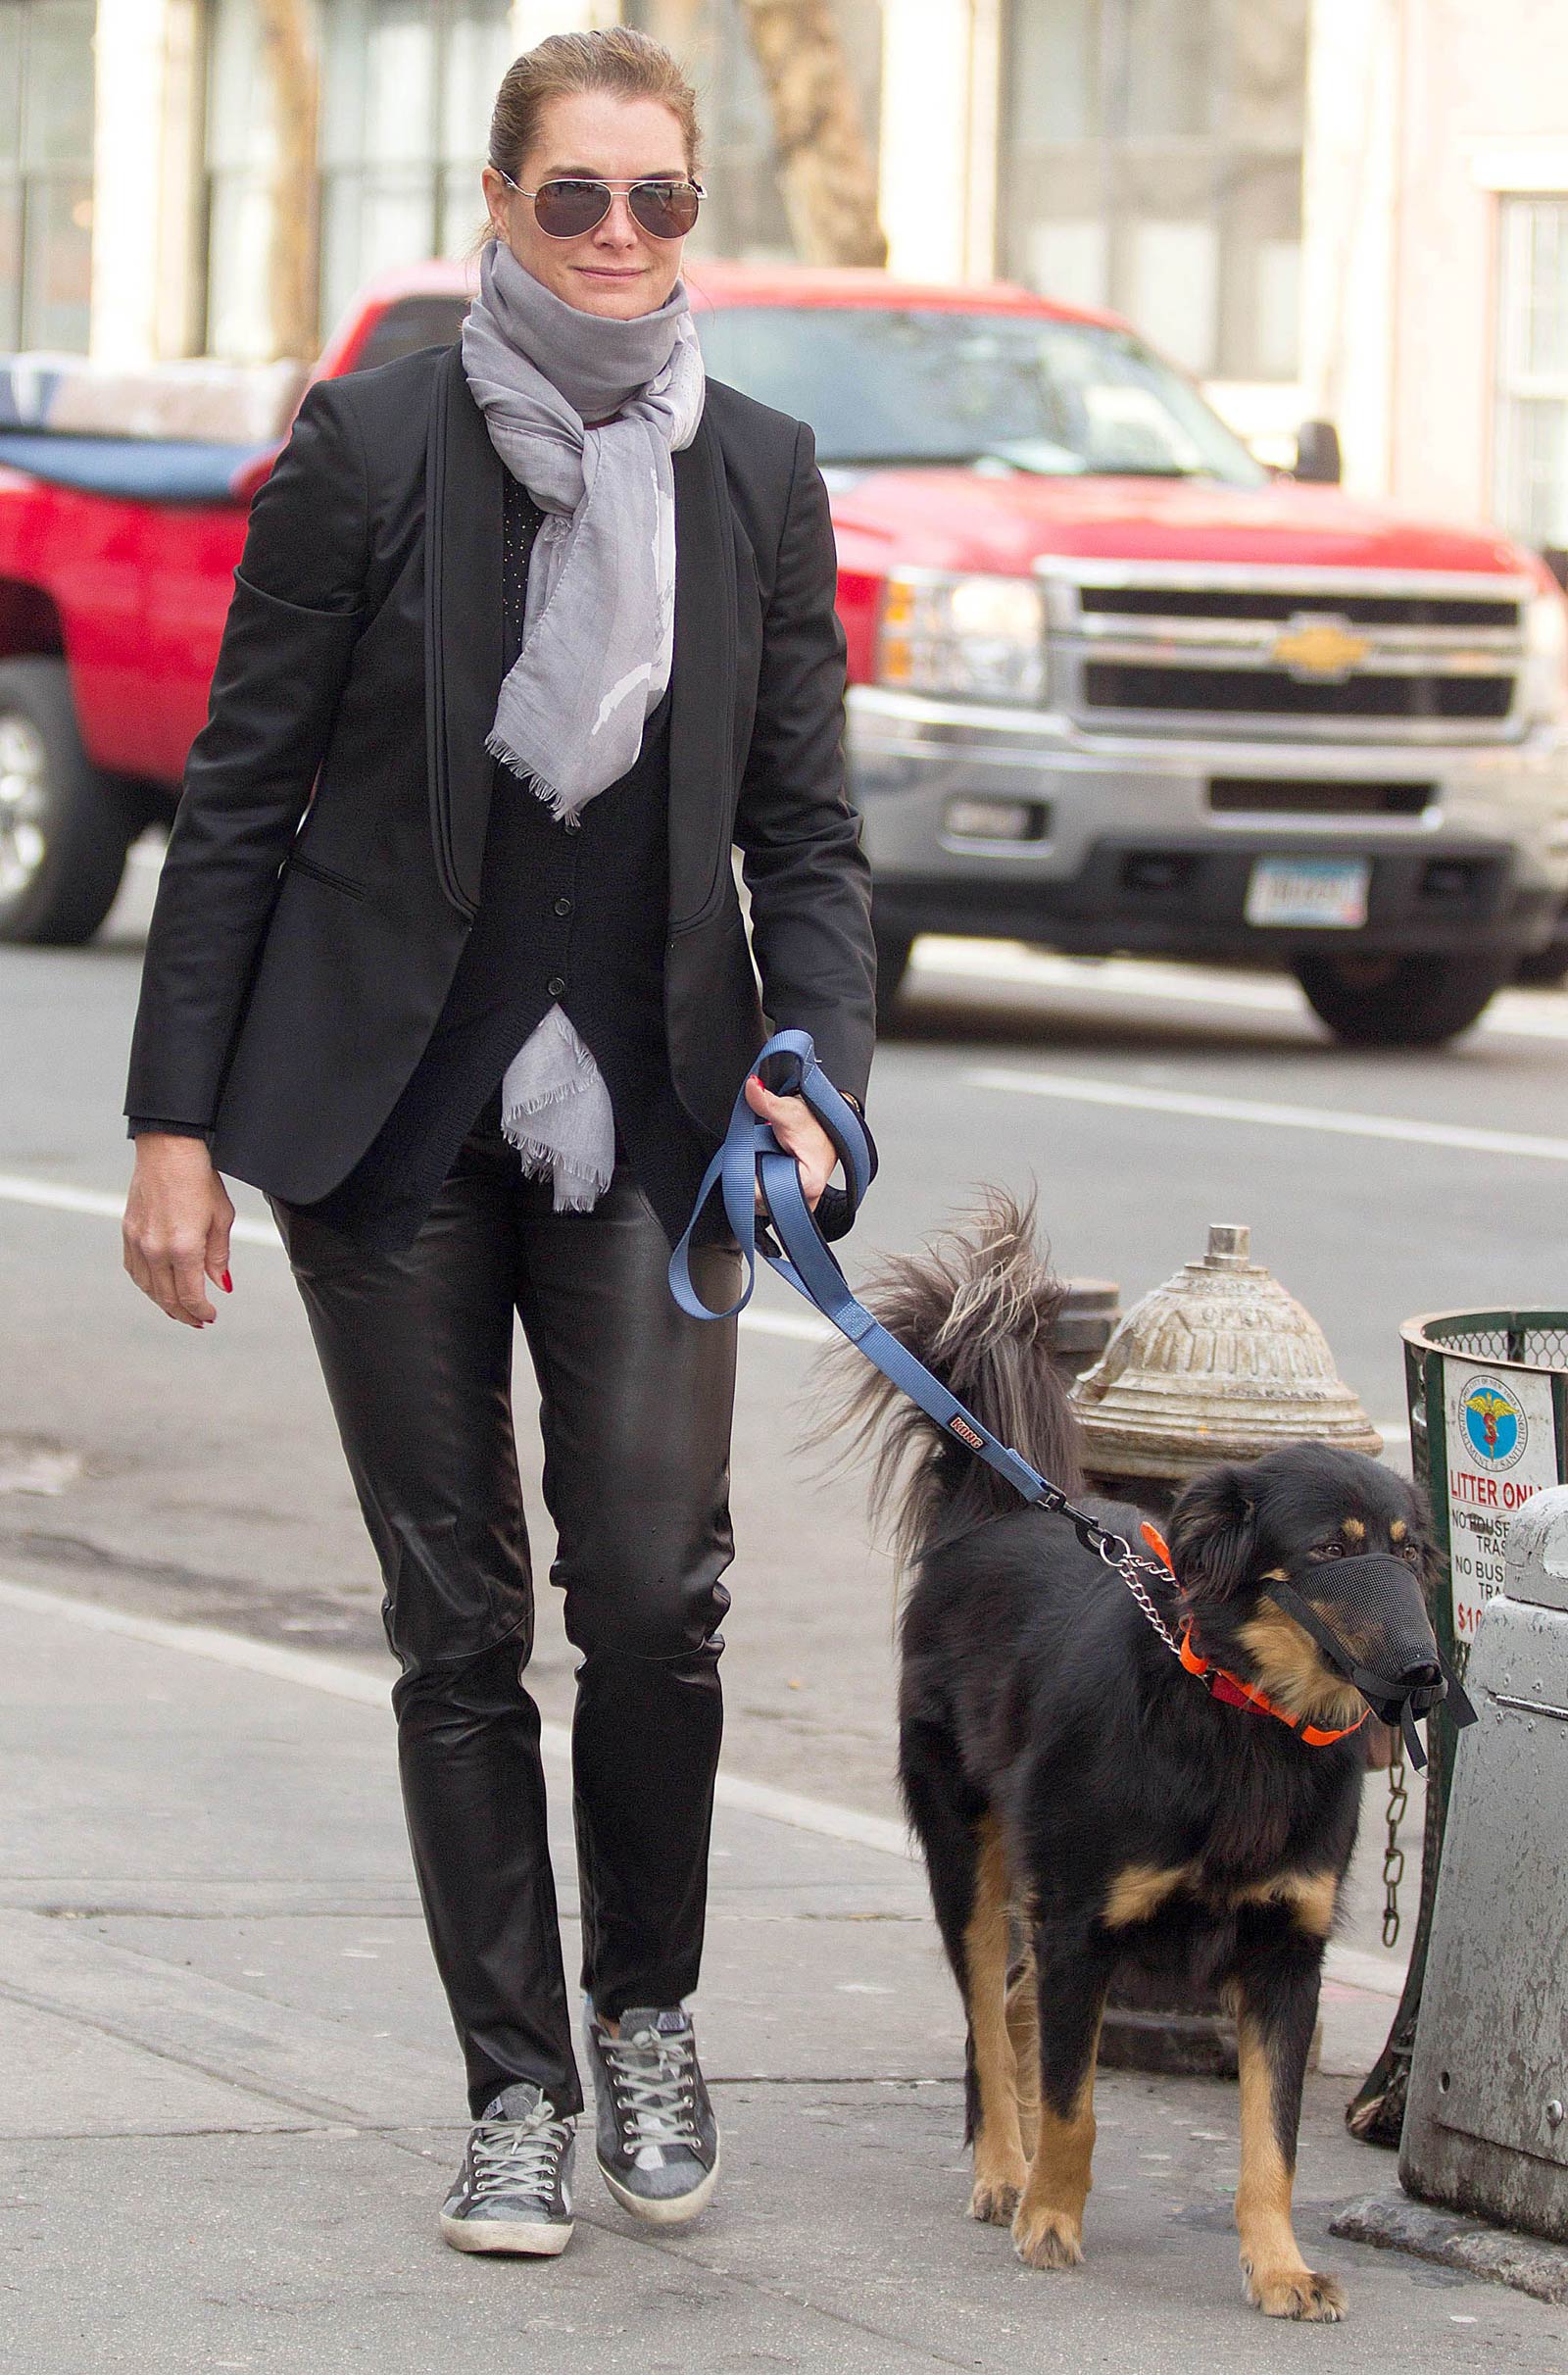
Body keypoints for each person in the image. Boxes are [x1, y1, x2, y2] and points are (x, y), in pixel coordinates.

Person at [120, 26, 875, 2258]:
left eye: (658, 200)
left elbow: (805, 828)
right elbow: (237, 805)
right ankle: (516, 2086)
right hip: (385, 1121)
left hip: (658, 1113)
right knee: (458, 1627)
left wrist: (813, 1060)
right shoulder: (364, 451)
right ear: (499, 202)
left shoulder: (755, 471)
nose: (620, 239)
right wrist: (173, 1124)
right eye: (578, 199)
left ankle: (647, 2013)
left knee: (652, 1605)